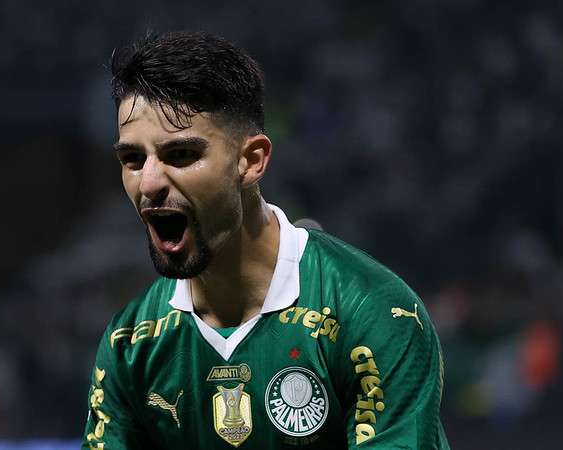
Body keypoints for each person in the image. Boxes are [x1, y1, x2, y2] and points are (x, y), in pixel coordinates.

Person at [82, 31, 449, 449]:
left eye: (180, 155)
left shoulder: (374, 313)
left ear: (251, 160)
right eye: (132, 159)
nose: (148, 182)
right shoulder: (130, 343)